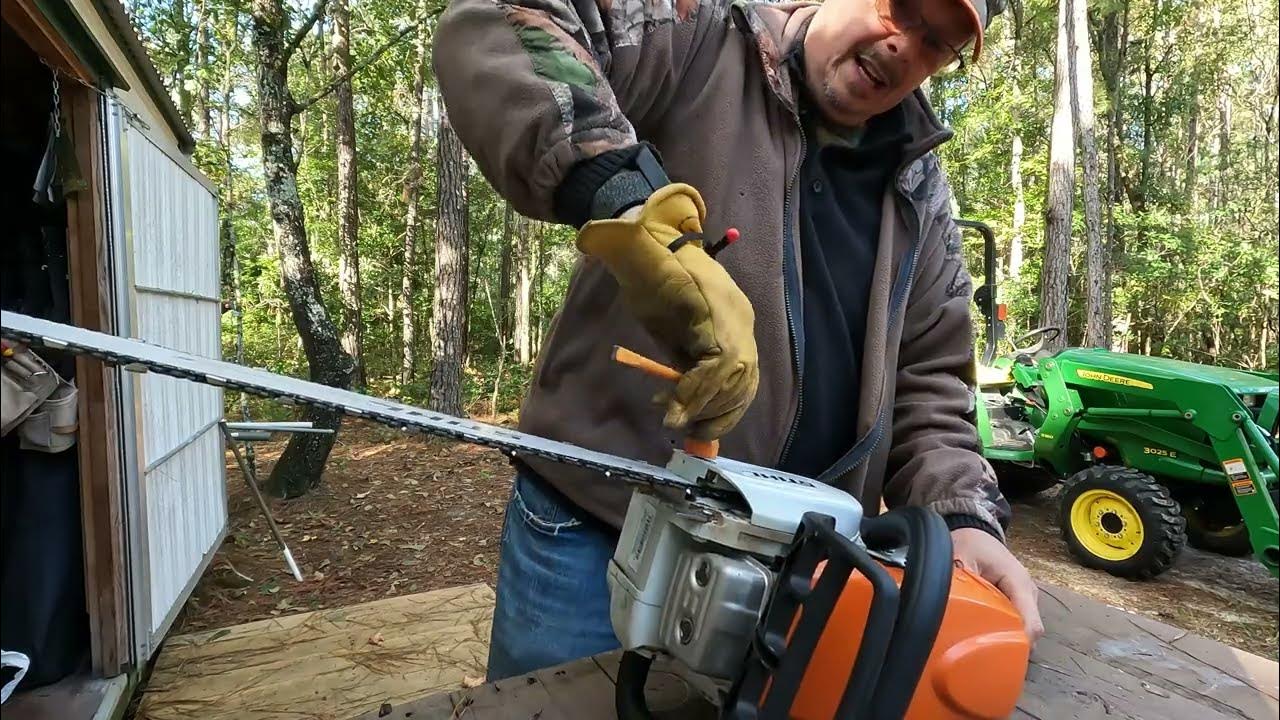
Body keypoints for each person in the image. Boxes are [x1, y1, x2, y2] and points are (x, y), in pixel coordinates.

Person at [433, 0, 1044, 682]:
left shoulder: (918, 187)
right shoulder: (702, 34)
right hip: (595, 530)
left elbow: (932, 385)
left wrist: (961, 518)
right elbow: (506, 20)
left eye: (938, 43)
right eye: (902, 9)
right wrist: (626, 205)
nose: (907, 46)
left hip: (790, 570)